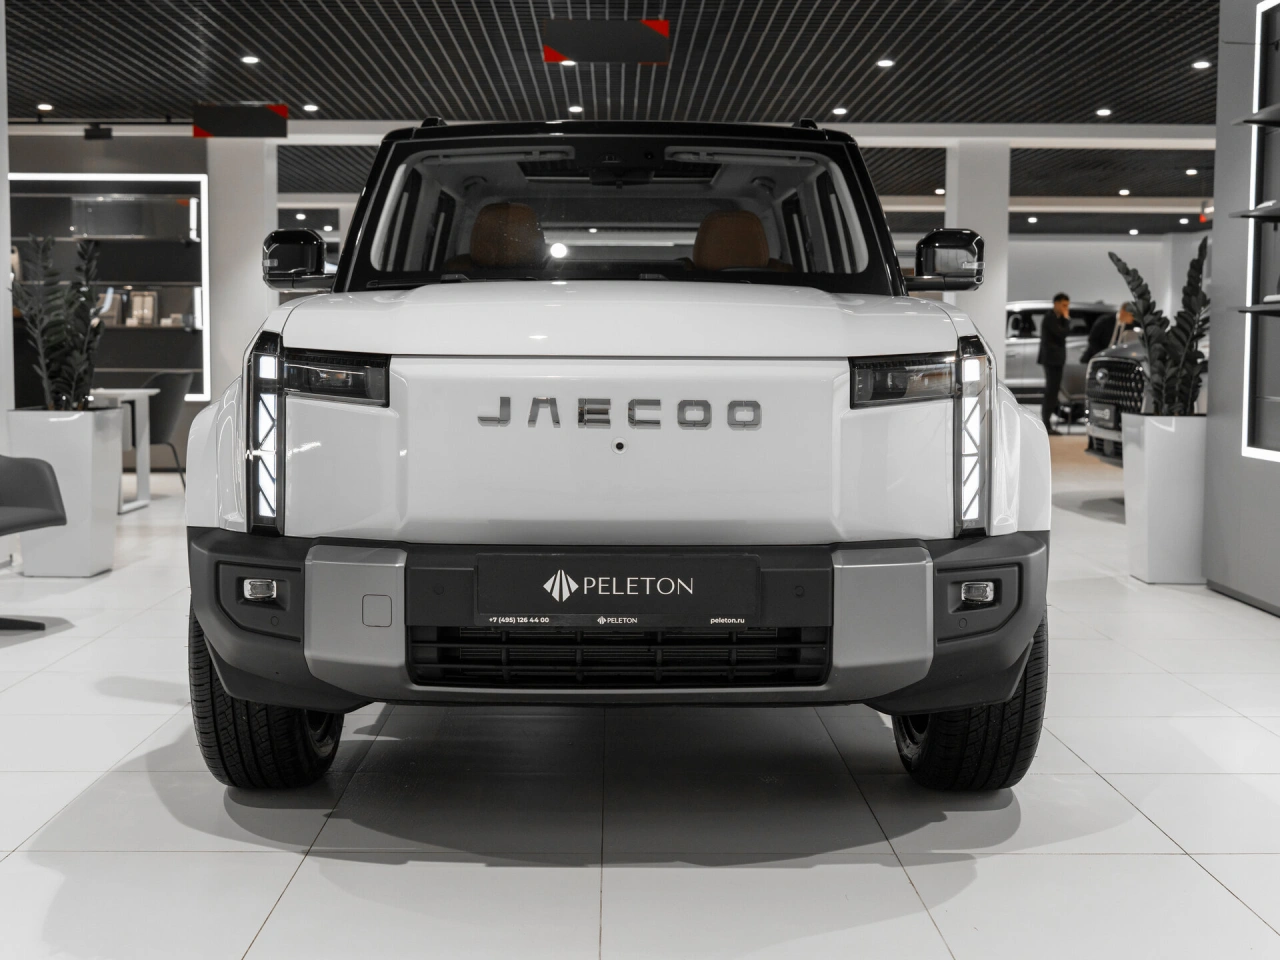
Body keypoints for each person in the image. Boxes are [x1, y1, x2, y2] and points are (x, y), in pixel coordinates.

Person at [1038, 292, 1071, 435]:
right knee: (1051, 391)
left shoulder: (1058, 318)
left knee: (1054, 390)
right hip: (1051, 360)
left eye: (1067, 306)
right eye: (1063, 305)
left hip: (1057, 360)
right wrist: (1067, 319)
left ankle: (1048, 423)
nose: (1065, 308)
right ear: (1056, 304)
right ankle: (1046, 423)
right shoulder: (1050, 318)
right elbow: (1062, 334)